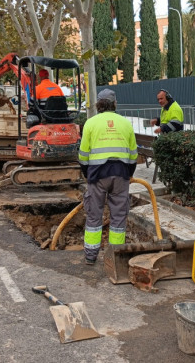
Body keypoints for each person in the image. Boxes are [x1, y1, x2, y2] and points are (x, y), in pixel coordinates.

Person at [78, 89, 138, 265]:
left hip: (97, 175)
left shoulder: (90, 123)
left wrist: (87, 174)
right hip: (121, 174)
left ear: (98, 104)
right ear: (115, 104)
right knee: (119, 216)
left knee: (94, 215)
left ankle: (90, 256)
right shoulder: (126, 123)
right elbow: (133, 154)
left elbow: (83, 155)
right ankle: (116, 256)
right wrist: (129, 175)